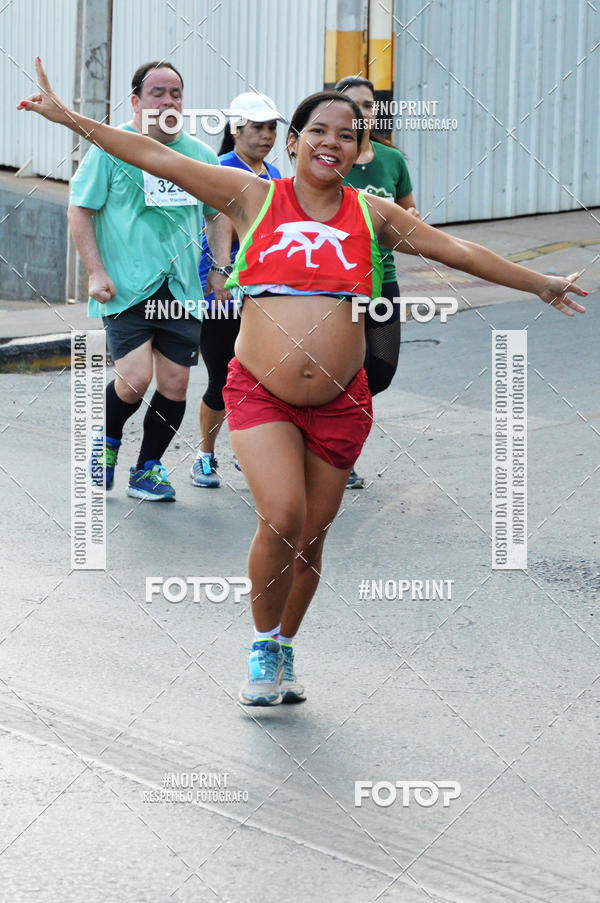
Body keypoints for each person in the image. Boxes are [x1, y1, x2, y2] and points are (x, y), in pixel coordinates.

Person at [22, 59, 586, 707]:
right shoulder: (252, 196)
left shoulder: (373, 215)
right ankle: (261, 643)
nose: (331, 143)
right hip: (259, 391)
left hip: (343, 404)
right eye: (318, 130)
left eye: (346, 134)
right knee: (283, 515)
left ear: (358, 148)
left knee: (312, 534)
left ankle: (286, 645)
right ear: (294, 140)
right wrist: (70, 119)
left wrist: (539, 282)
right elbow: (154, 156)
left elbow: (457, 251)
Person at [68, 60, 231, 501]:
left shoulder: (198, 156)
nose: (168, 100)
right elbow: (80, 208)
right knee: (135, 377)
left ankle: (148, 469)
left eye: (176, 93)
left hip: (179, 287)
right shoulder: (111, 148)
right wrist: (95, 271)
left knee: (175, 382)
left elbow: (218, 215)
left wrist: (220, 268)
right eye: (158, 92)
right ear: (136, 101)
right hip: (125, 284)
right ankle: (106, 443)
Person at [191, 92, 285, 488]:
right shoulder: (221, 168)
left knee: (263, 377)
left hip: (265, 292)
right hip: (222, 291)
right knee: (223, 378)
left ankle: (252, 454)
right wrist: (222, 272)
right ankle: (205, 455)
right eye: (258, 127)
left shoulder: (276, 175)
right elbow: (225, 220)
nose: (266, 136)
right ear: (236, 129)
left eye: (271, 128)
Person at [336, 75, 420, 489]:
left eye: (367, 105)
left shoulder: (392, 161)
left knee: (379, 372)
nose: (361, 112)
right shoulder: (331, 158)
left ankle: (328, 440)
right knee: (340, 369)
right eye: (351, 105)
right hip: (336, 286)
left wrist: (410, 225)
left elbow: (410, 215)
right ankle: (335, 453)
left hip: (381, 280)